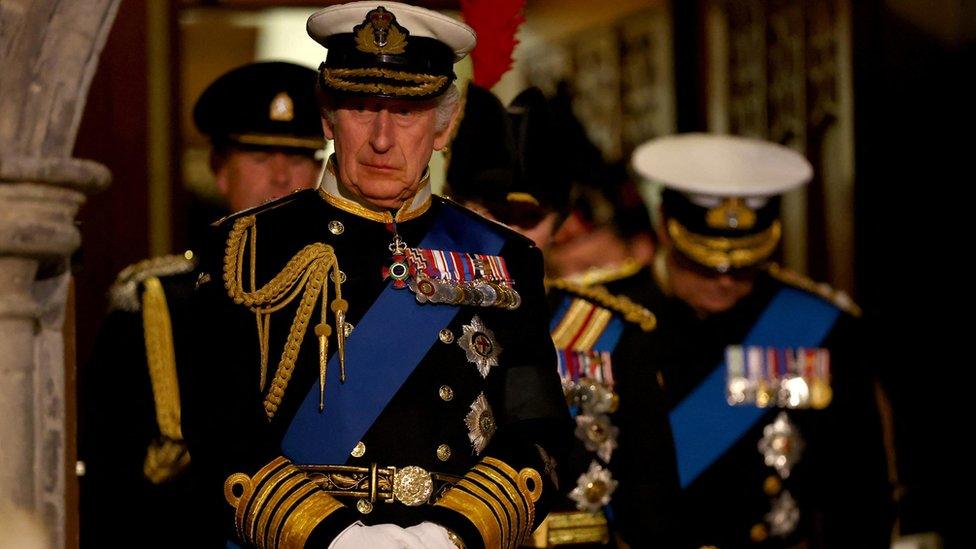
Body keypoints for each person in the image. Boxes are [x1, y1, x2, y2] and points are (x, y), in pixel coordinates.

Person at [182, 4, 572, 548]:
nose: (382, 139)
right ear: (326, 117)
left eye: (408, 112)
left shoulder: (507, 257)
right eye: (361, 108)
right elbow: (219, 434)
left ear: (444, 125)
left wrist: (450, 534)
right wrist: (338, 539)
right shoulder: (243, 249)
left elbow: (543, 436)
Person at [77, 61, 323, 548]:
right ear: (219, 169)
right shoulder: (156, 305)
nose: (280, 175)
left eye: (298, 158)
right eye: (258, 156)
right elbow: (111, 474)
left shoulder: (344, 296)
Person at [630, 132, 895, 547]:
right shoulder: (604, 317)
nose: (725, 279)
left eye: (744, 265)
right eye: (702, 263)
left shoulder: (821, 326)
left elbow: (860, 491)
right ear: (665, 224)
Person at [446, 85, 680, 548]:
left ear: (559, 221)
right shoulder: (408, 316)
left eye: (528, 218)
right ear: (452, 205)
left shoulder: (614, 334)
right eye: (491, 213)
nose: (508, 234)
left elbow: (653, 511)